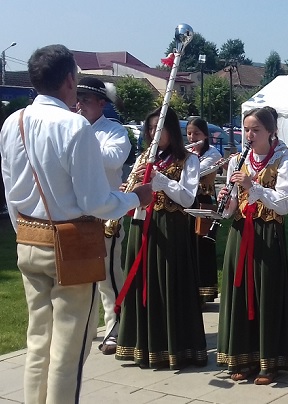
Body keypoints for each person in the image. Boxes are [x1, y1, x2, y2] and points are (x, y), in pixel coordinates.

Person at [0, 44, 152, 404]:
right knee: (69, 349)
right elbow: (95, 202)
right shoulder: (74, 126)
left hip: (28, 238)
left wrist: (25, 228)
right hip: (70, 245)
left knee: (39, 341)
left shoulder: (12, 122)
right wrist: (135, 198)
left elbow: (9, 190)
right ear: (69, 79)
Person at [115, 107, 207, 370]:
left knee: (167, 284)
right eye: (151, 128)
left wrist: (161, 180)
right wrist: (129, 190)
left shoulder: (188, 159)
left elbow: (187, 198)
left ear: (172, 130)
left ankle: (174, 348)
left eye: (160, 128)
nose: (154, 133)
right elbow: (136, 191)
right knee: (141, 282)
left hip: (170, 228)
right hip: (142, 223)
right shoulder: (146, 156)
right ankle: (141, 344)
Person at [216, 107, 288, 384]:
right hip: (241, 232)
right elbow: (230, 209)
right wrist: (226, 199)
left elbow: (284, 204)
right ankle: (242, 356)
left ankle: (269, 362)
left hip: (267, 234)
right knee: (239, 292)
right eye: (247, 129)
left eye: (256, 130)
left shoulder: (283, 162)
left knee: (266, 294)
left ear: (270, 131)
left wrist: (254, 187)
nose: (249, 135)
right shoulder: (238, 161)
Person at [76, 77, 132, 356]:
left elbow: (114, 158)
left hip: (106, 214)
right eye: (78, 99)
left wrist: (82, 142)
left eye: (86, 100)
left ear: (101, 103)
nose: (80, 104)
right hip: (78, 215)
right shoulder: (73, 128)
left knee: (109, 276)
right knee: (80, 279)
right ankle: (87, 329)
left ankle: (116, 327)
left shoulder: (114, 130)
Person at [187, 118, 222, 303]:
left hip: (203, 202)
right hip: (185, 202)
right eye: (189, 134)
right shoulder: (186, 153)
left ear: (205, 135)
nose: (192, 137)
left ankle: (204, 291)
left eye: (197, 134)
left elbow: (194, 173)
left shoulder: (213, 154)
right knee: (188, 245)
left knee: (202, 245)